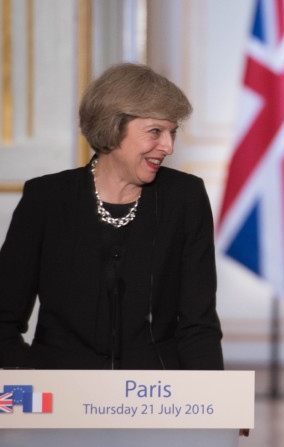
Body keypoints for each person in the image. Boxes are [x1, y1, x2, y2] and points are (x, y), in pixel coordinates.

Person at [0, 63, 224, 370]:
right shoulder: (47, 198)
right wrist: (30, 386)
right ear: (114, 127)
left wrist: (207, 405)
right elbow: (3, 318)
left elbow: (198, 323)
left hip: (156, 399)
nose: (168, 146)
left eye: (172, 132)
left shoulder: (185, 197)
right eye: (155, 132)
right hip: (61, 398)